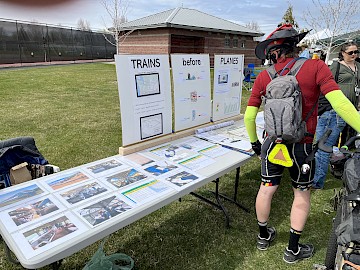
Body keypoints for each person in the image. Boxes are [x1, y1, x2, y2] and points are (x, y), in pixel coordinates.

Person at [244, 24, 360, 264]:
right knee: (301, 194)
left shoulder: (264, 76)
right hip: (302, 146)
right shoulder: (316, 67)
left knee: (266, 188)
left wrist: (256, 144)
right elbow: (341, 104)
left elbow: (248, 116)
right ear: (295, 46)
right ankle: (292, 250)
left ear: (272, 52)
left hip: (271, 143)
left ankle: (263, 237)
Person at [313, 42, 360, 189]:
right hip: (334, 112)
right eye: (350, 52)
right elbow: (323, 85)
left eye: (356, 52)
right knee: (325, 145)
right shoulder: (336, 66)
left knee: (347, 145)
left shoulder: (358, 66)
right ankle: (317, 181)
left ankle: (341, 168)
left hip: (352, 111)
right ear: (343, 53)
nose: (354, 55)